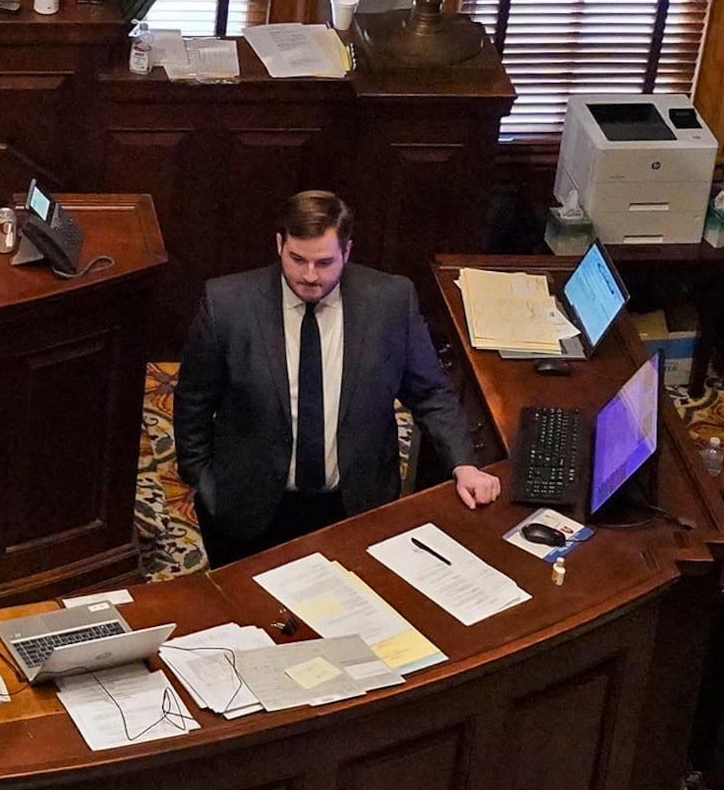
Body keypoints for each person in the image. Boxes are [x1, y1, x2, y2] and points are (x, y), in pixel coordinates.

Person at [174, 191, 499, 569]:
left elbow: (430, 392)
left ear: (347, 251)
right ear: (280, 244)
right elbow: (194, 399)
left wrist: (464, 464)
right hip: (250, 507)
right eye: (297, 259)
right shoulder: (228, 303)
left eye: (324, 262)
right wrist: (202, 480)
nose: (309, 276)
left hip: (354, 503)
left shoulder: (390, 301)